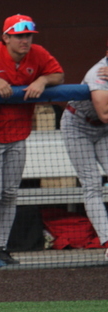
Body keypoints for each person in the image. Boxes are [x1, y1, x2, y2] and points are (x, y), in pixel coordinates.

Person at [0, 14, 64, 265]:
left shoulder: (38, 54)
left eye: (28, 36)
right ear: (6, 37)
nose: (24, 41)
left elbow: (58, 75)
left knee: (9, 193)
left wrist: (41, 79)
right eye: (18, 36)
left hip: (18, 133)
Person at [61, 43, 108, 261]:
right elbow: (105, 113)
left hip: (103, 130)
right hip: (78, 124)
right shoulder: (98, 73)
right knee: (92, 183)